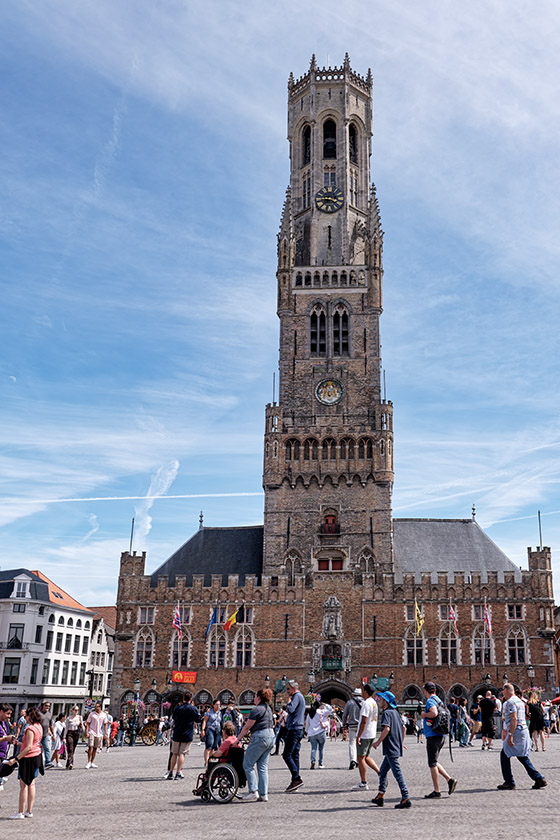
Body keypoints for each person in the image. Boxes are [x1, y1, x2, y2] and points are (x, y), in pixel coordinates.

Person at [498, 683, 547, 790]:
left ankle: (509, 782)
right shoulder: (519, 701)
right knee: (522, 756)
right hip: (523, 730)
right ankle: (538, 778)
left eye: (503, 691)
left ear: (506, 691)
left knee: (505, 754)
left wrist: (510, 735)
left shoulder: (510, 702)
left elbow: (514, 719)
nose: (503, 693)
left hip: (516, 731)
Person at [371, 690, 411, 809]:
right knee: (382, 771)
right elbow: (403, 728)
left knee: (397, 773)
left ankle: (405, 797)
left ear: (386, 701)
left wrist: (377, 742)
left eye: (382, 700)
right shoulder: (395, 713)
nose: (380, 702)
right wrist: (400, 742)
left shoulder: (387, 713)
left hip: (390, 748)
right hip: (395, 747)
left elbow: (386, 729)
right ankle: (380, 795)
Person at [235, 687, 276, 801]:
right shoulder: (268, 708)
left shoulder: (256, 710)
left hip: (260, 736)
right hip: (271, 736)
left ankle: (253, 791)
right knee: (262, 767)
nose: (253, 698)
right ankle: (264, 794)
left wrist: (237, 740)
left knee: (247, 764)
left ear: (258, 697)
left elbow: (247, 727)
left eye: (254, 696)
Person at [6, 705, 43, 819]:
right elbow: (32, 744)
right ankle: (29, 811)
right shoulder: (39, 726)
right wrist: (19, 744)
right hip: (37, 756)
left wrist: (16, 758)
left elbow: (28, 748)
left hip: (28, 759)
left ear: (30, 716)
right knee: (31, 784)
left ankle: (20, 812)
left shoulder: (30, 729)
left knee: (23, 786)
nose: (25, 717)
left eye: (26, 715)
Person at [421, 681, 457, 799]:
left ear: (426, 691)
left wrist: (424, 715)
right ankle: (449, 780)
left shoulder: (430, 700)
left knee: (432, 764)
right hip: (440, 735)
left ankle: (436, 791)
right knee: (434, 761)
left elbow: (434, 713)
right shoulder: (439, 700)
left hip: (433, 735)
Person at [166, 691, 200, 780]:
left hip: (177, 732)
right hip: (187, 733)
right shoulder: (193, 709)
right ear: (191, 699)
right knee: (182, 754)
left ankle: (170, 772)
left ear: (183, 699)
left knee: (174, 753)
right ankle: (178, 772)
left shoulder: (178, 708)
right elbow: (198, 719)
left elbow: (174, 718)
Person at [354, 683, 380, 791]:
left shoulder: (366, 703)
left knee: (360, 758)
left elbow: (364, 721)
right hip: (371, 733)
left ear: (365, 691)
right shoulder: (374, 702)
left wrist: (359, 735)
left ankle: (363, 783)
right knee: (366, 756)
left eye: (363, 689)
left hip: (365, 734)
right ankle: (381, 773)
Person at [283, 680, 306, 792]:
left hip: (294, 729)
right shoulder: (300, 696)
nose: (287, 691)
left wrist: (288, 702)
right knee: (295, 755)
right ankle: (294, 781)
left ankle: (296, 778)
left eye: (288, 689)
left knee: (286, 755)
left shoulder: (296, 696)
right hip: (299, 728)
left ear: (293, 688)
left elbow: (291, 709)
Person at [305, 698, 331, 769]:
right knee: (321, 748)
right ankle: (320, 763)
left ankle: (313, 761)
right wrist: (326, 704)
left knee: (313, 748)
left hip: (312, 733)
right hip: (321, 732)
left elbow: (307, 724)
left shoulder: (310, 713)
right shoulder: (322, 712)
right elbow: (331, 710)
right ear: (320, 706)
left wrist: (307, 731)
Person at [342, 688, 363, 770]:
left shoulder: (349, 702)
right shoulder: (364, 702)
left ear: (354, 694)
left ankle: (352, 760)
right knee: (360, 743)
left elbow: (344, 715)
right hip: (361, 726)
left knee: (352, 743)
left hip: (352, 725)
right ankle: (359, 760)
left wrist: (344, 724)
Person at [84, 702, 108, 769]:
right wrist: (87, 731)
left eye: (97, 707)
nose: (95, 708)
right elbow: (88, 723)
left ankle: (92, 762)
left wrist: (105, 733)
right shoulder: (92, 714)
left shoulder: (103, 715)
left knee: (95, 748)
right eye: (95, 707)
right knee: (90, 747)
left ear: (100, 707)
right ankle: (88, 762)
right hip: (91, 732)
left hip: (99, 733)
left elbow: (105, 724)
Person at [201, 699, 223, 764]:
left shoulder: (220, 713)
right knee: (209, 746)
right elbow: (204, 721)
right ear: (213, 705)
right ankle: (207, 762)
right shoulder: (209, 713)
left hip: (218, 730)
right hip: (210, 729)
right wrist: (202, 730)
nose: (218, 706)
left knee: (214, 746)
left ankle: (209, 760)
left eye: (219, 704)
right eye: (216, 704)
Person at [0, 703, 15, 793]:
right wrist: (6, 738)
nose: (9, 717)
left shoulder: (3, 723)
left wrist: (9, 740)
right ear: (1, 711)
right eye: (8, 714)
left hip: (2, 755)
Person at [38, 701, 54, 769]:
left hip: (46, 734)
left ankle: (48, 762)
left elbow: (51, 725)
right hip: (38, 734)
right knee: (37, 749)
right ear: (43, 706)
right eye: (46, 706)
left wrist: (53, 734)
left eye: (49, 706)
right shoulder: (39, 714)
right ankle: (36, 762)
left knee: (47, 748)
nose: (47, 707)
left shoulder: (49, 714)